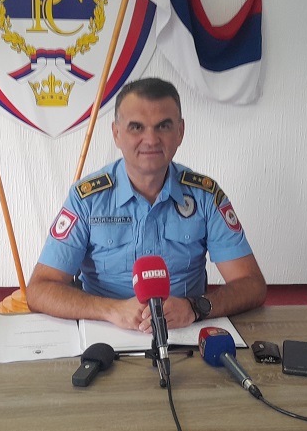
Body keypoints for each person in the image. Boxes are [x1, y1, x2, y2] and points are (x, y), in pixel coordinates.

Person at [26, 77, 267, 332]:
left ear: (180, 132)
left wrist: (195, 307)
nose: (151, 140)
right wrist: (111, 310)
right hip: (106, 335)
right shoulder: (87, 199)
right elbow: (39, 290)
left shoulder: (205, 196)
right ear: (116, 134)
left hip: (183, 334)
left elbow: (252, 285)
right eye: (136, 127)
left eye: (163, 126)